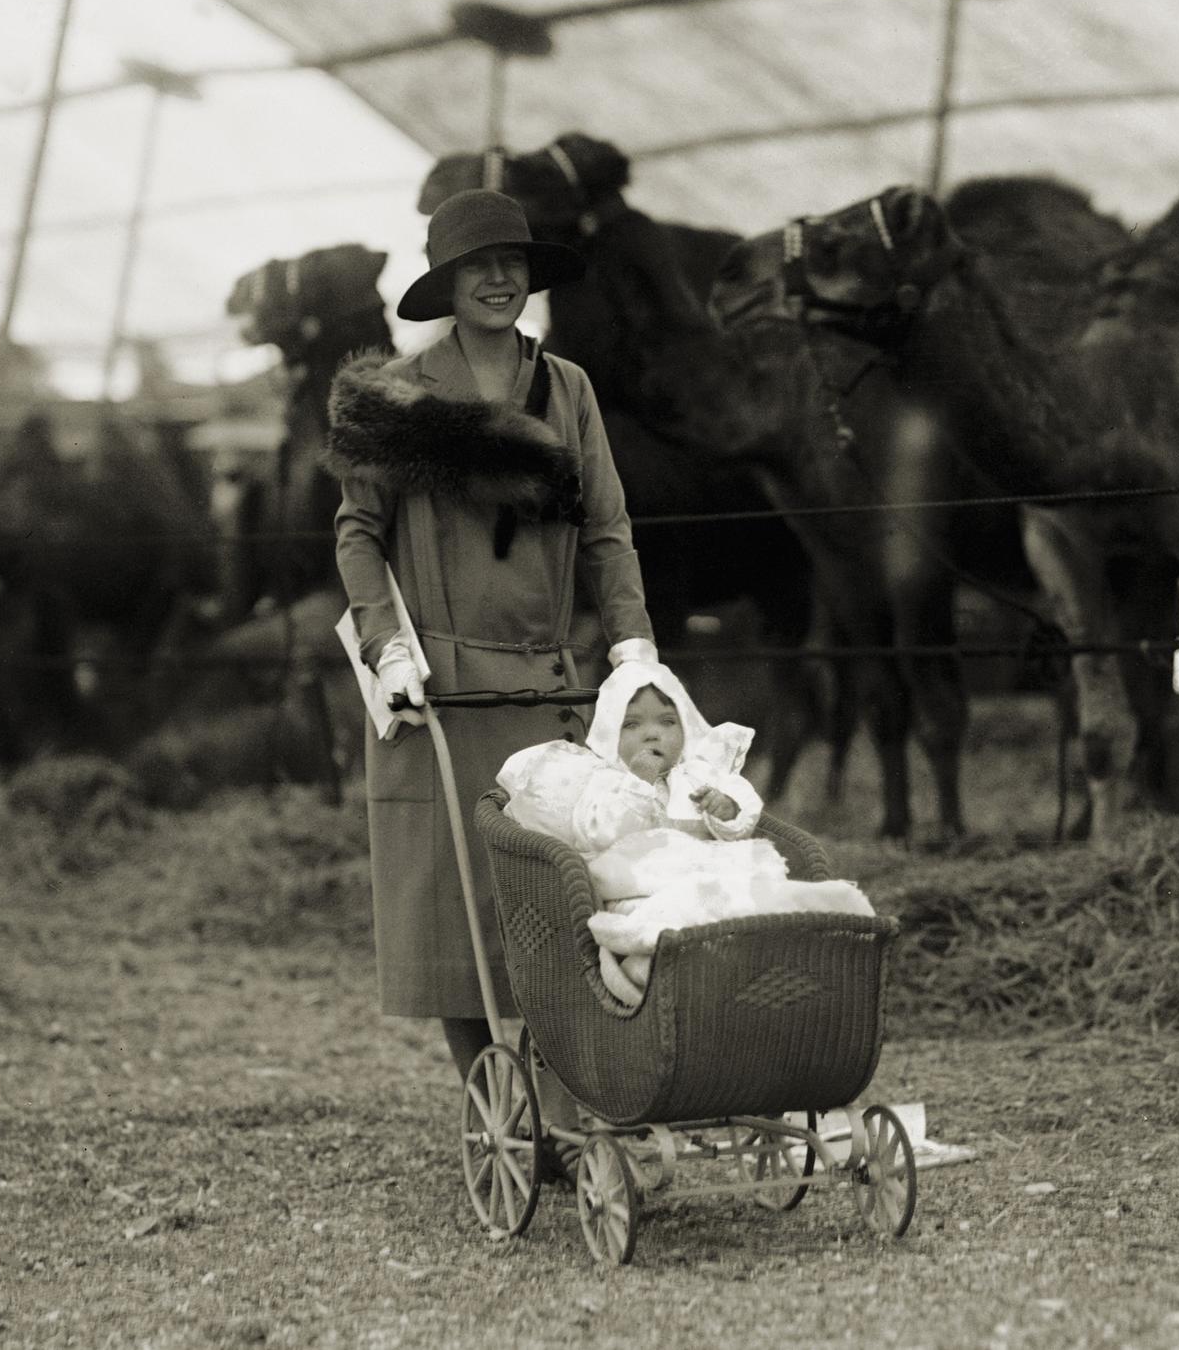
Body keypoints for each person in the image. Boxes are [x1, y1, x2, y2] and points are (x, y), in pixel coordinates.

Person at [327, 189, 658, 1124]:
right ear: (448, 283)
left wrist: (631, 640)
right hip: (438, 697)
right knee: (455, 913)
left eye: (513, 263)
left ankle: (562, 1096)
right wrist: (387, 647)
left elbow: (608, 527)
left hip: (554, 691)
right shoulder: (399, 398)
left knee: (561, 903)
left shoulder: (568, 389)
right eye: (479, 266)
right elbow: (357, 532)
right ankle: (494, 1110)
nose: (501, 279)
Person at [497, 659, 872, 1008]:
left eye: (666, 722)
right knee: (664, 918)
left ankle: (778, 955)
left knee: (758, 900)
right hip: (639, 889)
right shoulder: (604, 783)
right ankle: (662, 970)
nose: (652, 735)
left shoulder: (701, 775)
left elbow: (743, 816)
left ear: (685, 728)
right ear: (610, 734)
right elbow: (597, 833)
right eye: (633, 725)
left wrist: (726, 811)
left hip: (712, 880)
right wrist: (637, 785)